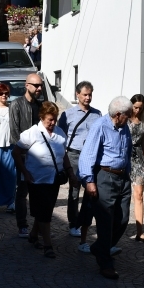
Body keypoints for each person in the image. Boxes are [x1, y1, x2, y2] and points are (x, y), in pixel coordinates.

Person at [78, 96, 134, 280]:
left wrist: (127, 174)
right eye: (128, 115)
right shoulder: (100, 126)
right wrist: (89, 181)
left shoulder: (124, 126)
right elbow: (87, 154)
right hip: (105, 176)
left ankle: (99, 247)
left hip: (122, 177)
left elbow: (126, 150)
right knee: (105, 222)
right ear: (118, 115)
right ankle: (105, 263)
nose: (131, 118)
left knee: (123, 218)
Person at [12, 101, 75, 259]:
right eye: (49, 119)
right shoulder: (32, 133)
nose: (53, 122)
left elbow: (64, 155)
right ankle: (48, 245)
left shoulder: (60, 133)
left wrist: (70, 172)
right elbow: (16, 152)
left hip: (54, 179)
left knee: (45, 210)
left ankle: (33, 235)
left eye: (54, 119)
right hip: (36, 180)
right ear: (41, 117)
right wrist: (25, 173)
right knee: (45, 213)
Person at [57, 81, 102, 238]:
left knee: (90, 190)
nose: (88, 98)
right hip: (74, 155)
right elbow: (59, 136)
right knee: (74, 190)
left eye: (90, 95)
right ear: (78, 95)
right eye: (85, 94)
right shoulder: (68, 114)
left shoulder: (97, 114)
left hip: (91, 156)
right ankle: (73, 223)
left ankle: (86, 221)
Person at [9, 73, 44, 238]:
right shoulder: (16, 104)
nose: (39, 88)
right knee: (22, 191)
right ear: (27, 85)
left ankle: (38, 225)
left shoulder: (41, 106)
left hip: (38, 156)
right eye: (36, 85)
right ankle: (22, 224)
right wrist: (25, 151)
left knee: (38, 192)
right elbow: (15, 134)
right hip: (23, 155)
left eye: (41, 85)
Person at [128, 93, 144, 242]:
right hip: (124, 156)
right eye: (135, 107)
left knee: (139, 194)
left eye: (140, 108)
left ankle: (140, 232)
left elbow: (143, 141)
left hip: (138, 158)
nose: (137, 110)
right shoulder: (124, 118)